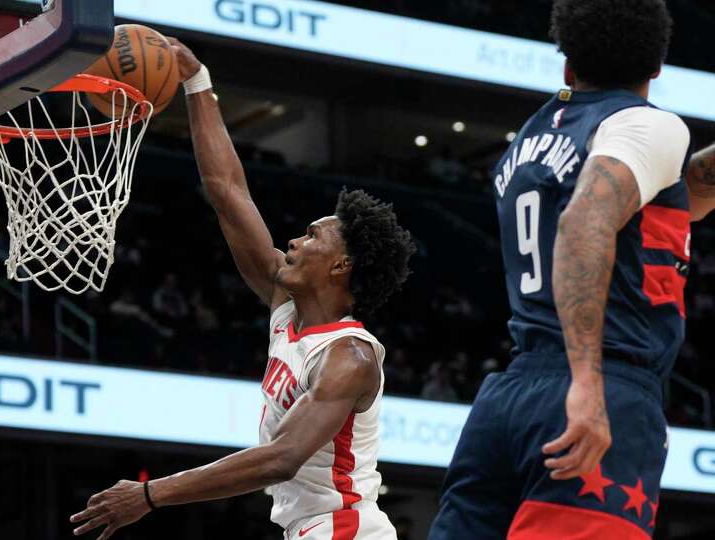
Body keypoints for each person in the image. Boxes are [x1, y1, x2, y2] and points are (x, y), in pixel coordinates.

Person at [69, 38, 415, 540]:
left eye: (312, 235)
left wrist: (149, 495)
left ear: (341, 264)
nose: (294, 240)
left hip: (345, 530)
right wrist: (196, 81)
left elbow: (280, 459)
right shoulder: (288, 308)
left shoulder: (349, 357)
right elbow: (228, 194)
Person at [429, 1, 715, 538]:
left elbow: (668, 196)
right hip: (600, 382)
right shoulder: (645, 126)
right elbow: (584, 222)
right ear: (657, 66)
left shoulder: (534, 136)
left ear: (567, 66)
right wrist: (588, 382)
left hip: (509, 397)